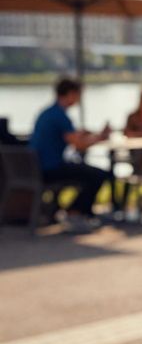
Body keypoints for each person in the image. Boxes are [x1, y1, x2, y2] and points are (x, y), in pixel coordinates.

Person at [28, 77, 111, 233]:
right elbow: (79, 145)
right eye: (78, 95)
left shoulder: (48, 112)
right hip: (49, 169)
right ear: (71, 94)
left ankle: (78, 212)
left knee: (88, 172)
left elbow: (72, 137)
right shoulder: (60, 115)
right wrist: (100, 138)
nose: (79, 99)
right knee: (98, 175)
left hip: (37, 167)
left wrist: (89, 136)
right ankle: (74, 213)